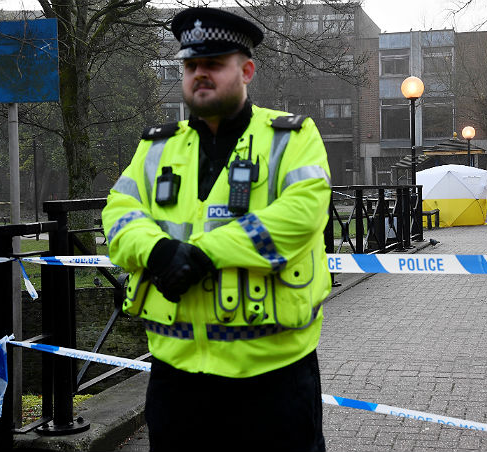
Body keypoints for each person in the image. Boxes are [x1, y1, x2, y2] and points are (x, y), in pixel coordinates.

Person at [102, 7, 332, 452]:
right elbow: (119, 211)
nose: (199, 74)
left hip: (272, 375)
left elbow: (302, 213)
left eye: (214, 64)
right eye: (191, 65)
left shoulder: (291, 137)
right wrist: (159, 253)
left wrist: (204, 254)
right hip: (176, 377)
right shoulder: (157, 146)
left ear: (246, 71)